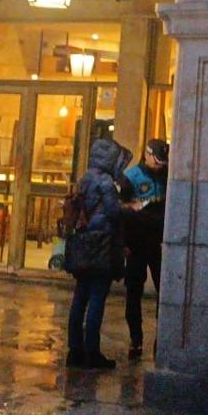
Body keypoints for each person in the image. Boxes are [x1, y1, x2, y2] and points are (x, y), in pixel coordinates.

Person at [67, 138, 132, 370]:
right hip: (101, 246)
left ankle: (75, 350)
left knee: (80, 298)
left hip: (83, 245)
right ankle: (92, 352)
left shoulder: (85, 178)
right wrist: (126, 208)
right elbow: (113, 214)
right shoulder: (105, 181)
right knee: (96, 299)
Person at [120, 139, 168, 359]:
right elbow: (119, 209)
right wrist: (124, 243)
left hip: (159, 245)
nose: (159, 167)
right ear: (147, 155)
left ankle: (163, 340)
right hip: (136, 244)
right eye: (157, 163)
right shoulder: (131, 178)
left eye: (163, 164)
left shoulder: (168, 176)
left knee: (164, 293)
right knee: (134, 292)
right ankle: (135, 339)